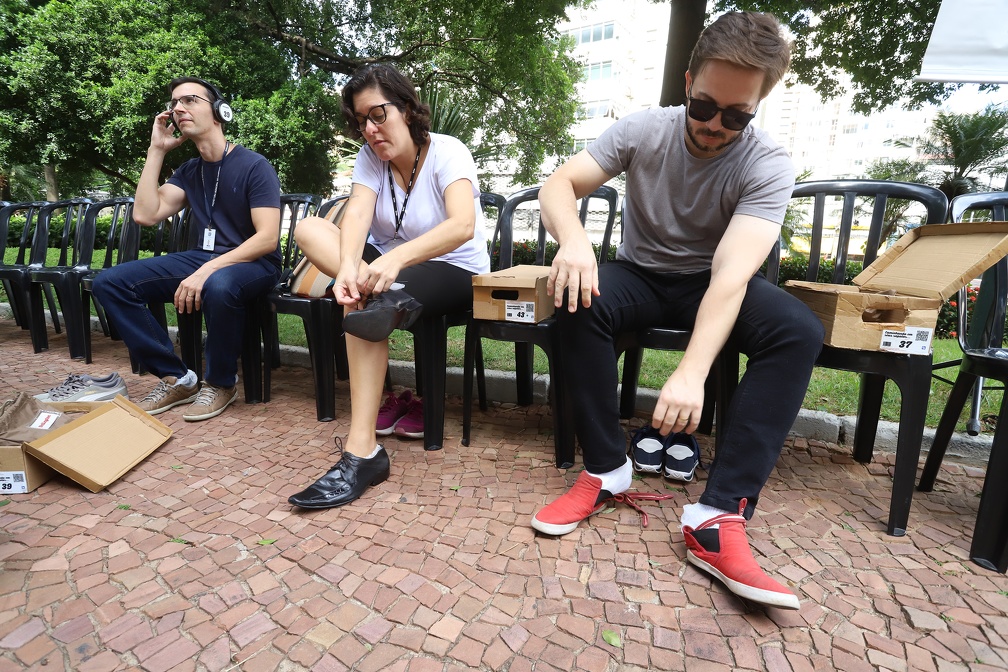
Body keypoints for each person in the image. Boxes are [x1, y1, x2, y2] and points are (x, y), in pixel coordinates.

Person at [532, 12, 824, 610]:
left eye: (737, 116)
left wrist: (691, 371)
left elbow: (731, 275)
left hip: (711, 280)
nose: (715, 126)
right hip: (640, 272)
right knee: (574, 298)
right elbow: (558, 186)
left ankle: (718, 515)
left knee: (797, 331)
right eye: (703, 106)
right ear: (687, 82)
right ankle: (607, 469)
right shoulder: (644, 129)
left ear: (758, 107)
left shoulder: (767, 164)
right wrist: (575, 241)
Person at [287, 64, 490, 509]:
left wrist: (394, 259)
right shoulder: (369, 159)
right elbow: (357, 214)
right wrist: (346, 270)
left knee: (368, 297)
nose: (371, 129)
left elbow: (462, 225)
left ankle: (361, 452)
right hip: (385, 269)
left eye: (379, 114)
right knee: (310, 231)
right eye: (362, 121)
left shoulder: (447, 151)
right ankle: (367, 449)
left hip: (452, 268)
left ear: (408, 108)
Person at [94, 76, 282, 421]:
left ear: (219, 112)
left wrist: (206, 270)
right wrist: (157, 150)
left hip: (256, 261)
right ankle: (178, 377)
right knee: (111, 282)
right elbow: (145, 214)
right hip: (204, 259)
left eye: (190, 100)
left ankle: (222, 383)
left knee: (220, 283)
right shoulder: (189, 170)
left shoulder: (255, 165)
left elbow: (267, 238)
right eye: (174, 103)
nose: (178, 108)